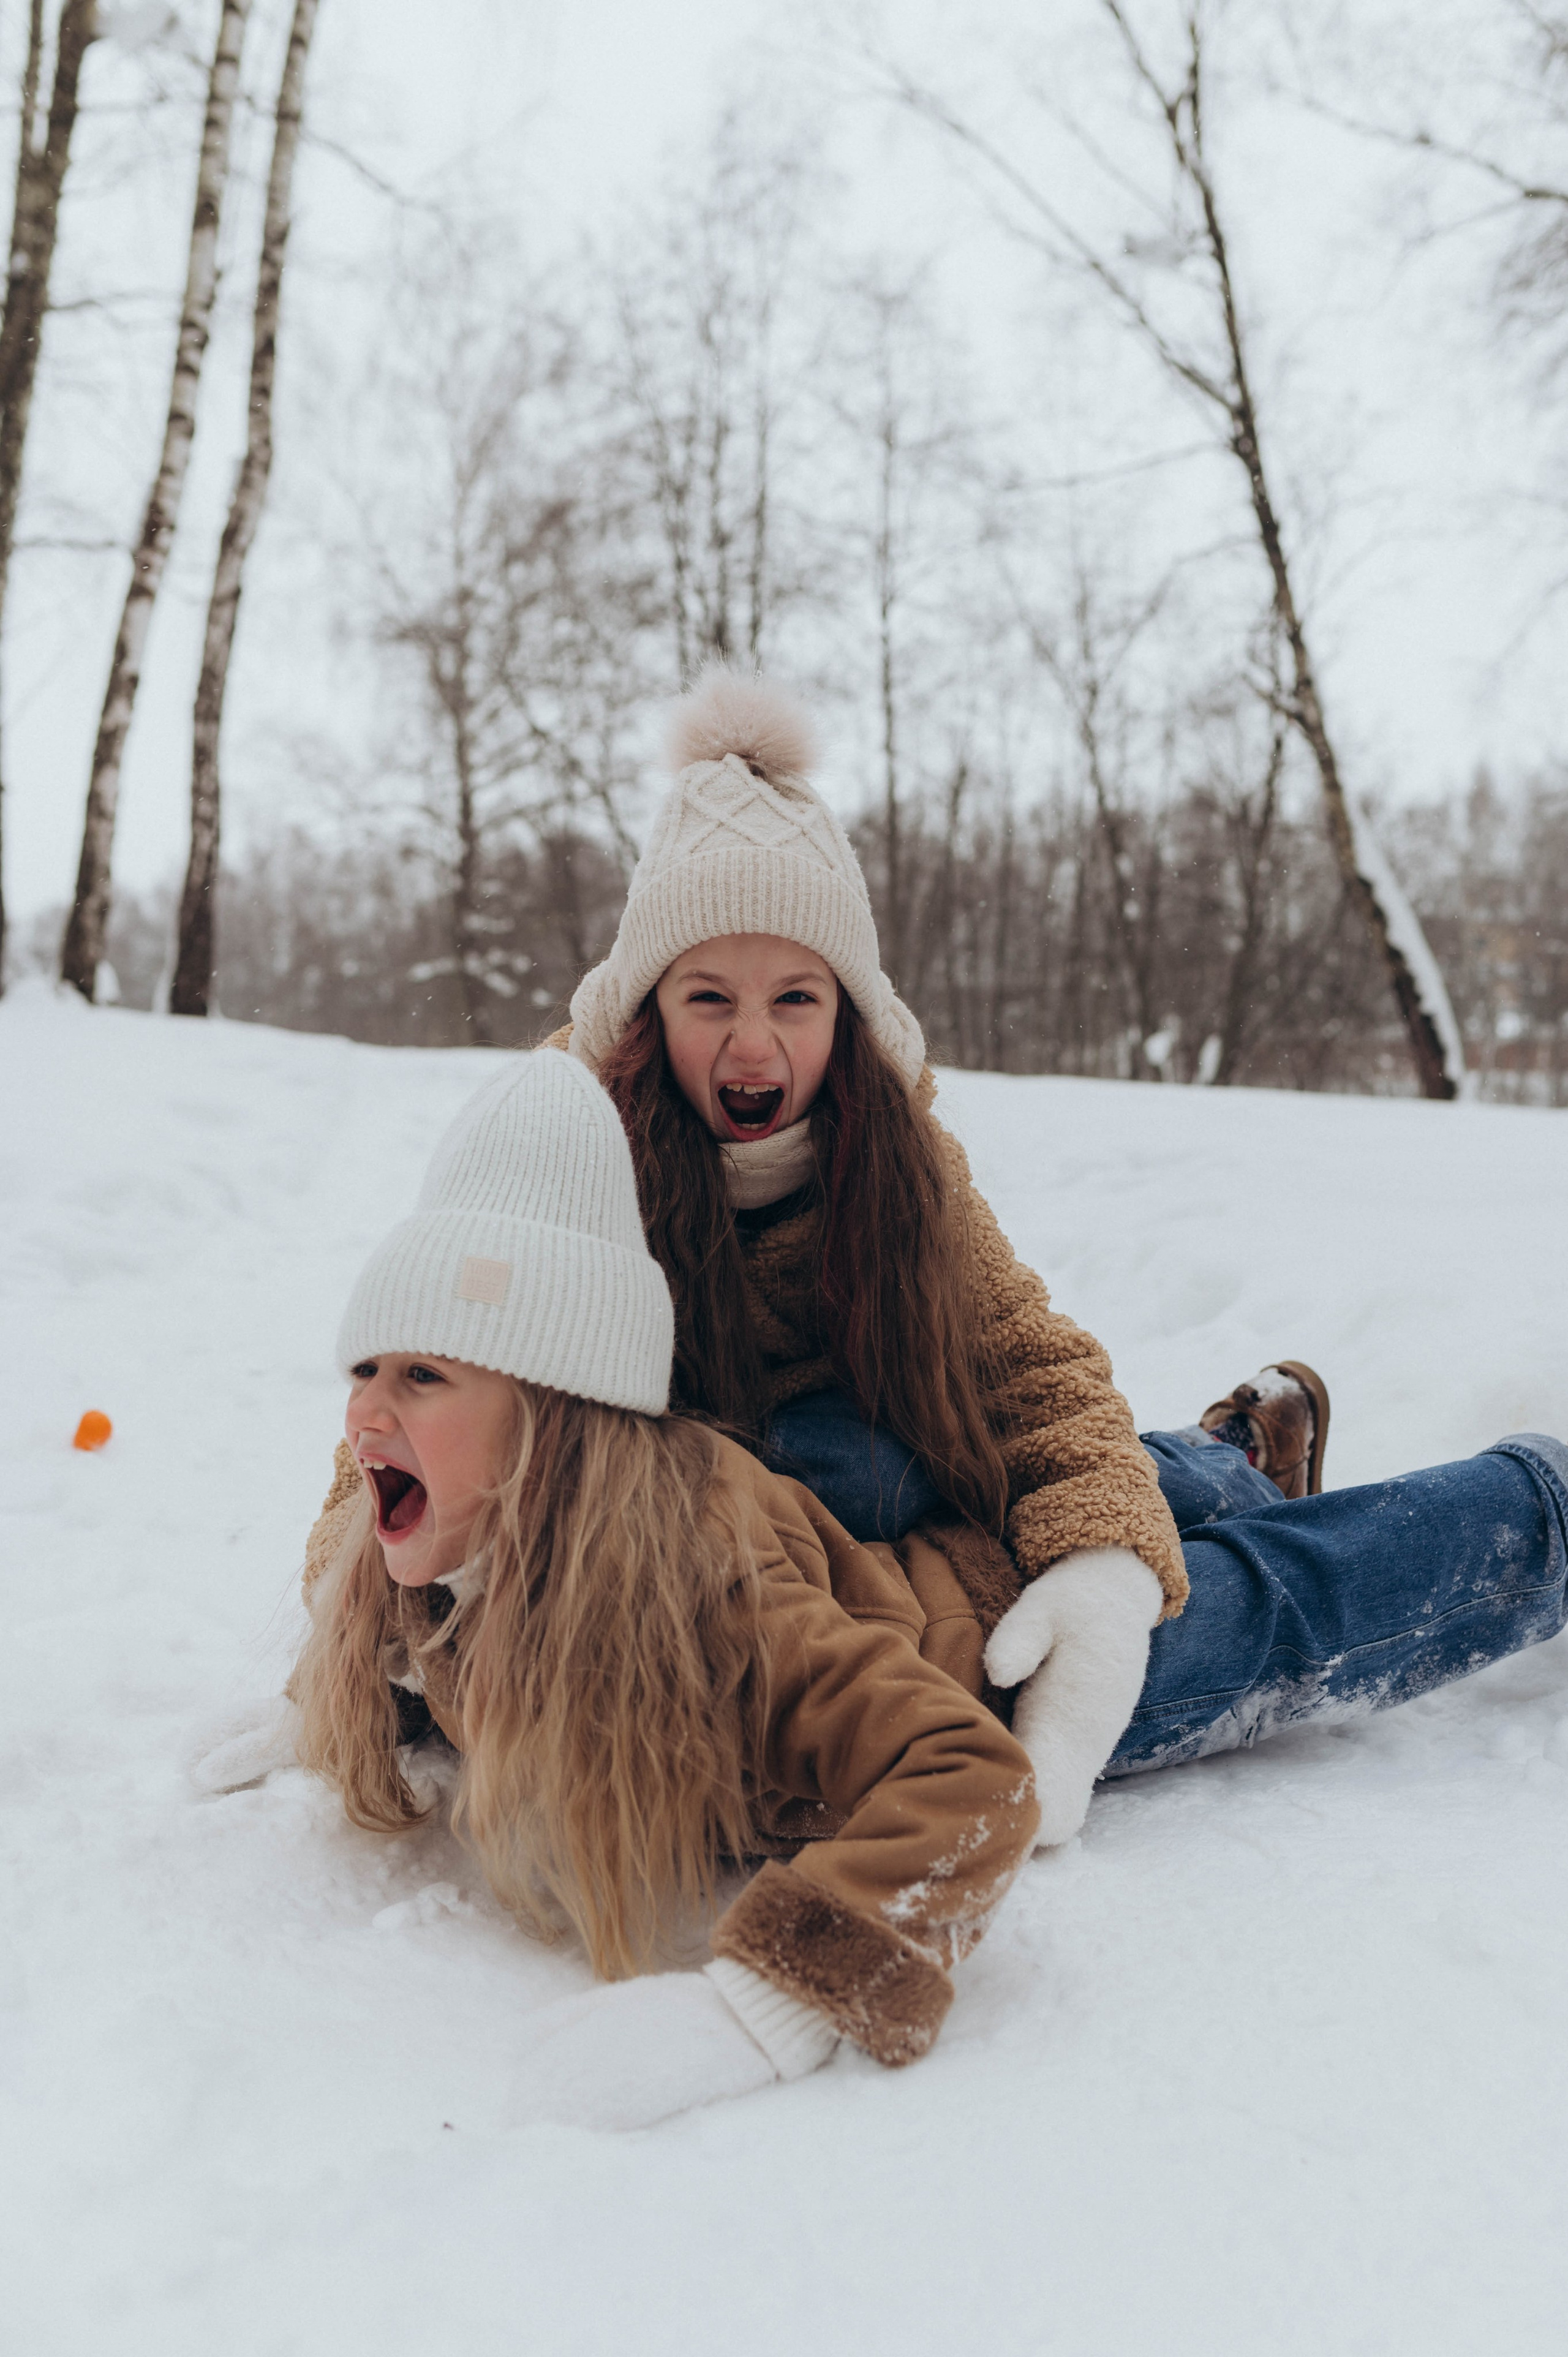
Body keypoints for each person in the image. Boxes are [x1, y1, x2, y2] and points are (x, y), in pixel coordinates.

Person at [284, 668, 1567, 1895]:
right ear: (648, 1007)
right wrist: (350, 1623)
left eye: (795, 998)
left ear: (842, 1012)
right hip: (721, 1543)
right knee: (815, 1500)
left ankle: (1485, 1502)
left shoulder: (891, 1156)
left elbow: (1034, 1378)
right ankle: (1226, 1462)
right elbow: (425, 1365)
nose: (751, 1042)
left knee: (1068, 1589)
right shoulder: (566, 1140)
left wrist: (1110, 1574)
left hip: (887, 1499)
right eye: (707, 996)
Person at [288, 1049, 1042, 2129]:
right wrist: (321, 1699)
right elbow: (414, 1658)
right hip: (858, 1546)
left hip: (982, 1626)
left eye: (422, 1375)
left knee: (1257, 1608)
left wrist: (768, 2005)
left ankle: (1239, 1456)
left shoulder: (707, 1587)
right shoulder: (454, 1538)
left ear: (549, 1417)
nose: (365, 1415)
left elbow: (975, 1777)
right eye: (366, 1368)